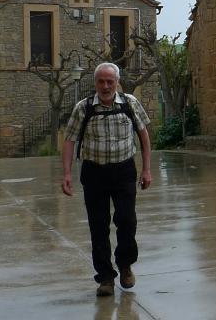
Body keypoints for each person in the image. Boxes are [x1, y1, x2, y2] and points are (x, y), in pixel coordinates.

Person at [62, 62, 152, 297]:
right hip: (94, 173)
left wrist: (147, 170)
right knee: (98, 226)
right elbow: (70, 140)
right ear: (95, 83)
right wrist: (67, 174)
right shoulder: (83, 108)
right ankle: (105, 277)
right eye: (101, 81)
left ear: (117, 82)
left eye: (109, 81)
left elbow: (144, 135)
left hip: (124, 170)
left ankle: (125, 265)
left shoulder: (130, 104)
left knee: (127, 220)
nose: (105, 86)